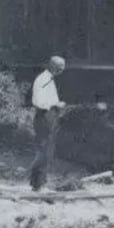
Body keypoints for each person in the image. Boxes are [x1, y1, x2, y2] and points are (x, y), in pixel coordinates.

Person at [29, 56, 67, 190]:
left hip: (49, 116)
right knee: (43, 150)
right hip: (44, 117)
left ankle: (41, 182)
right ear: (53, 66)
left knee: (48, 150)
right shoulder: (43, 80)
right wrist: (56, 104)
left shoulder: (49, 79)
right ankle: (37, 184)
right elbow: (38, 102)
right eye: (61, 67)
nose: (63, 69)